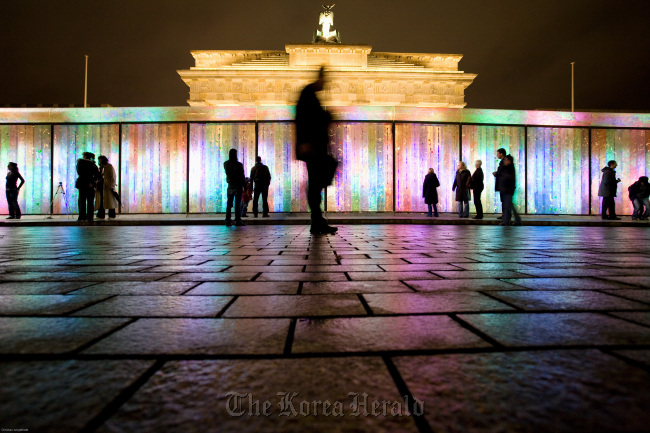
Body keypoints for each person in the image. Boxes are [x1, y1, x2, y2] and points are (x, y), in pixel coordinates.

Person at [295, 67, 337, 235]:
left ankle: (318, 221)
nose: (325, 86)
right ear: (320, 79)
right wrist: (304, 142)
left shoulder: (311, 95)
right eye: (324, 81)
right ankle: (317, 221)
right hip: (312, 148)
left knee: (316, 183)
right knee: (315, 184)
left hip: (315, 148)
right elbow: (304, 119)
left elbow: (314, 119)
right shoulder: (308, 94)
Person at [223, 148, 246, 227]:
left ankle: (228, 220)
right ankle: (237, 220)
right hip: (238, 185)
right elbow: (242, 176)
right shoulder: (239, 164)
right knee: (237, 204)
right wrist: (245, 186)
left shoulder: (225, 163)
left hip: (230, 186)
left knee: (229, 204)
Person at [498, 155, 522, 226]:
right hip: (506, 189)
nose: (504, 161)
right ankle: (512, 221)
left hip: (507, 189)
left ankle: (509, 221)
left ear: (509, 161)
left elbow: (508, 178)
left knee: (507, 206)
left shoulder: (509, 168)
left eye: (505, 160)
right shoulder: (507, 168)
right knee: (508, 206)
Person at [76, 152, 99, 222]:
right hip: (90, 185)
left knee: (82, 200)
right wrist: (92, 181)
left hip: (82, 183)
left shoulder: (80, 163)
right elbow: (97, 175)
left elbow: (79, 172)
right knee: (90, 201)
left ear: (85, 156)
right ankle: (90, 217)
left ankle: (82, 216)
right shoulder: (93, 165)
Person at [493, 148, 506, 220]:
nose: (497, 155)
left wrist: (496, 173)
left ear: (501, 154)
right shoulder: (502, 162)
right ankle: (504, 215)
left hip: (503, 185)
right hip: (502, 185)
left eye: (498, 153)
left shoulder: (504, 162)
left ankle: (505, 215)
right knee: (503, 201)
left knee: (504, 201)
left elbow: (502, 173)